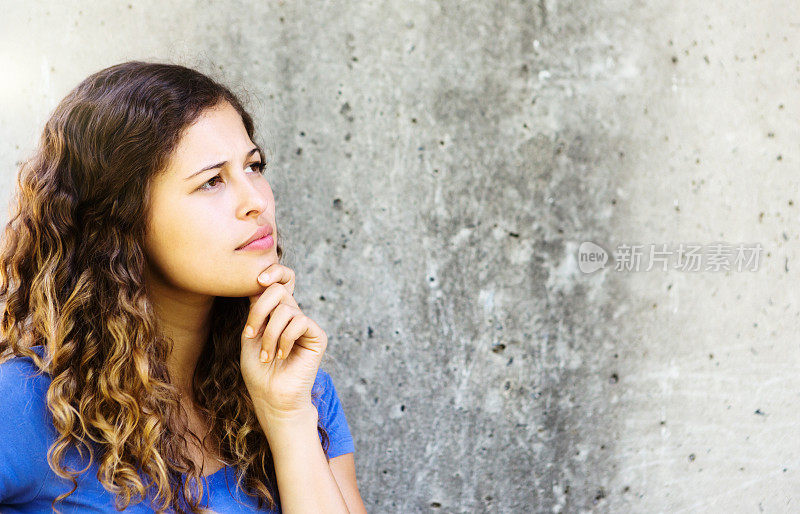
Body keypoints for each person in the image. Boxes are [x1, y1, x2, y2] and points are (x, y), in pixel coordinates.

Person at [0, 61, 367, 513]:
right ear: (122, 219)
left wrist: (287, 419)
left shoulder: (300, 390)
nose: (256, 201)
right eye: (212, 182)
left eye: (254, 167)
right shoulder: (24, 403)